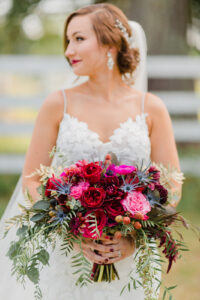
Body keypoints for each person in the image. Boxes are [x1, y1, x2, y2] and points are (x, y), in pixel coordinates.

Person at [0, 3, 182, 300]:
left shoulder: (151, 108)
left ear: (110, 43)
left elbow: (172, 184)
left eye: (79, 39)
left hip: (127, 258)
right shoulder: (58, 104)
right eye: (68, 40)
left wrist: (133, 235)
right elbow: (33, 179)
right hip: (67, 255)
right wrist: (71, 231)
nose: (69, 49)